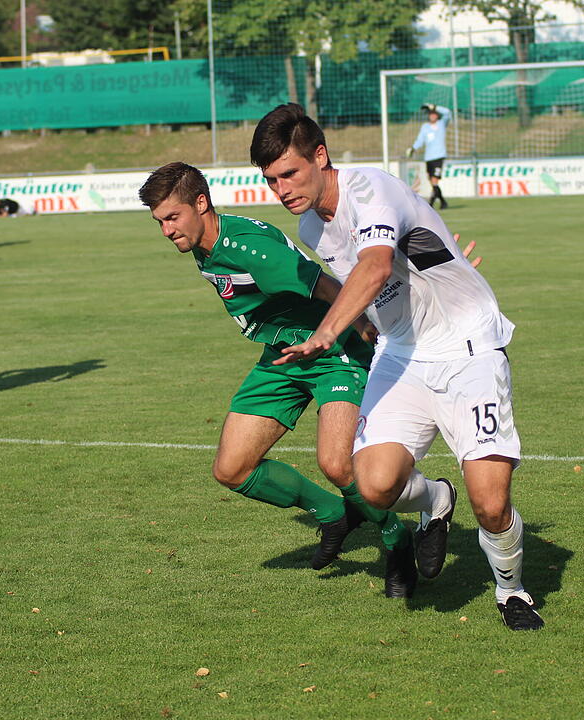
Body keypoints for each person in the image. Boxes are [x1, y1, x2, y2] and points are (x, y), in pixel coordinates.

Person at [251, 103, 542, 630]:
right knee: (375, 484)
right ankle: (435, 497)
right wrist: (364, 321)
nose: (282, 189)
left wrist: (326, 333)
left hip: (467, 348)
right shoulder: (312, 229)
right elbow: (373, 286)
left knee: (492, 505)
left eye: (289, 173)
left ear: (320, 156)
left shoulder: (371, 189)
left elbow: (376, 264)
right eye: (271, 180)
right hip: (402, 355)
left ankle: (511, 590)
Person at [138, 161, 419, 598]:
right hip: (281, 354)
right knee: (232, 469)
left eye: (172, 218)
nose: (166, 231)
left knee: (337, 463)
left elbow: (322, 285)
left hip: (333, 349)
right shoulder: (203, 242)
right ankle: (334, 514)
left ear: (201, 202)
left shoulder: (250, 248)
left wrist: (363, 324)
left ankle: (398, 542)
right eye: (159, 222)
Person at [406, 103, 451, 209]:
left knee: (435, 180)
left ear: (437, 115)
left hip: (439, 156)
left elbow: (448, 113)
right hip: (429, 157)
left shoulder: (441, 124)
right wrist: (413, 148)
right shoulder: (425, 127)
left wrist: (435, 107)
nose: (432, 116)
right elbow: (420, 140)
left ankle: (430, 204)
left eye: (434, 114)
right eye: (430, 114)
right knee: (432, 181)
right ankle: (443, 202)